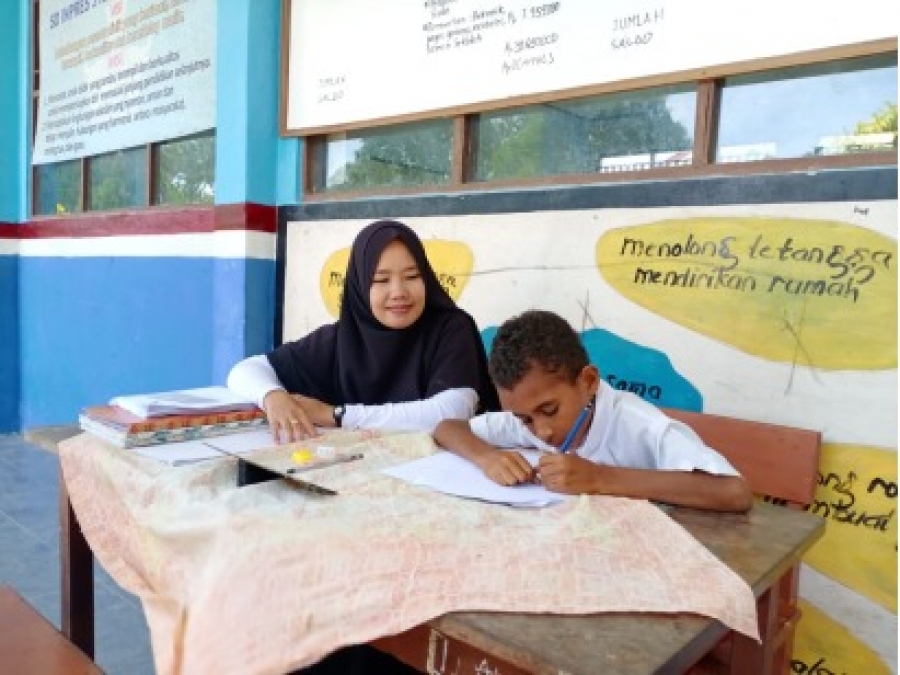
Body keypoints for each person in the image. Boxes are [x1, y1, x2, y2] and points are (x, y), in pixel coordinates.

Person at [433, 310, 752, 512]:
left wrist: (600, 478)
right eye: (526, 419)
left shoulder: (640, 426)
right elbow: (448, 428)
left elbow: (733, 492)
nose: (541, 431)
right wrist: (486, 458)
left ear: (587, 381)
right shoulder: (527, 420)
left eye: (550, 410)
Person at [228, 217, 499, 442]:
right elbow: (244, 371)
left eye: (413, 277)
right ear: (359, 287)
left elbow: (452, 412)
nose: (399, 292)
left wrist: (335, 415)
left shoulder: (451, 328)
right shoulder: (340, 339)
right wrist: (273, 397)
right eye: (381, 280)